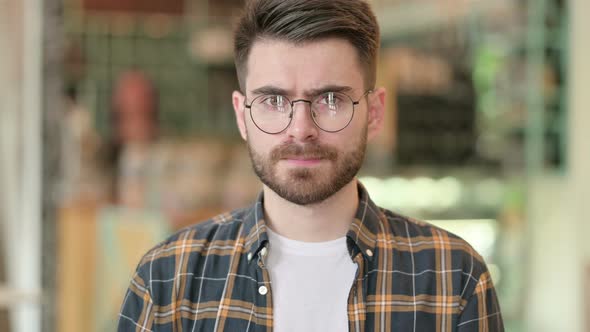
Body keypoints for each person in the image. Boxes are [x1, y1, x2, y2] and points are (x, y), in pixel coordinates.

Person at [117, 0, 504, 331]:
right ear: (241, 116)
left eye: (331, 100)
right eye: (273, 101)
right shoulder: (168, 280)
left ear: (375, 112)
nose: (301, 130)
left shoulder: (453, 279)